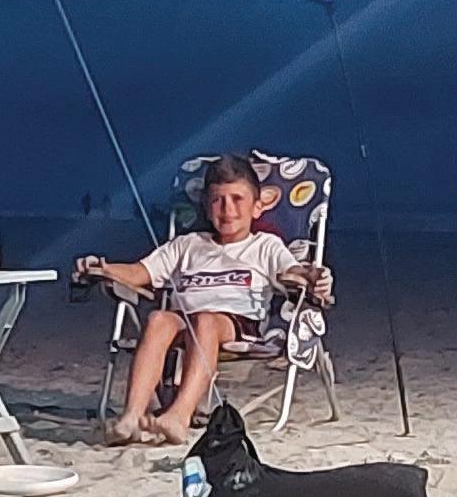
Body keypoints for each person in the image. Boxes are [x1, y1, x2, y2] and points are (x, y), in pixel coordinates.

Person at [76, 154, 325, 446]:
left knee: (205, 320)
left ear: (258, 207)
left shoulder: (265, 246)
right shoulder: (187, 245)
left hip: (236, 324)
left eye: (237, 199)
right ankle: (132, 416)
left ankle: (179, 416)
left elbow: (292, 272)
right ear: (206, 206)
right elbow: (139, 272)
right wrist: (102, 268)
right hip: (184, 323)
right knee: (158, 318)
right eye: (218, 200)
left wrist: (313, 277)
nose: (228, 209)